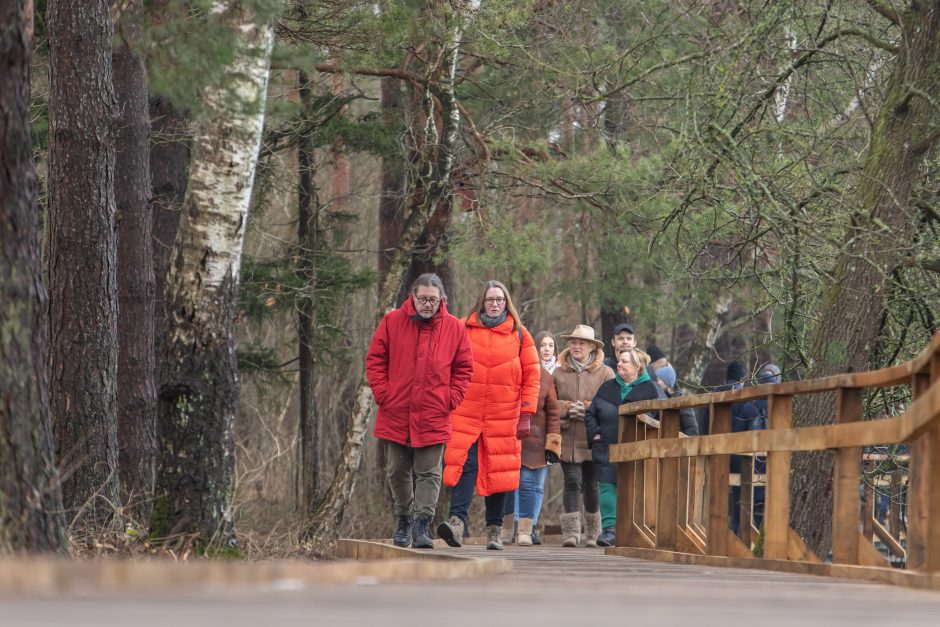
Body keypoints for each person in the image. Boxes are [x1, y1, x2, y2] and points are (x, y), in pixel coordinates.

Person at [366, 273, 473, 549]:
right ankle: (403, 518)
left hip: (434, 413)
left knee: (430, 473)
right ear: (413, 297)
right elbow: (375, 359)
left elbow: (464, 369)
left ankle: (421, 524)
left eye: (433, 299)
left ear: (442, 300)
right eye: (423, 298)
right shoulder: (391, 322)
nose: (428, 304)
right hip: (396, 411)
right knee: (396, 470)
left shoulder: (455, 328)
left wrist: (451, 398)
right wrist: (383, 393)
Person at [437, 280, 540, 550]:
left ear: (507, 304)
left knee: (499, 470)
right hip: (466, 412)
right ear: (481, 302)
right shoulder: (463, 328)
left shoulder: (519, 334)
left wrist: (526, 412)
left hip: (504, 415)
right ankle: (456, 523)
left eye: (500, 300)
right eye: (490, 299)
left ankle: (494, 530)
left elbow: (532, 375)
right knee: (463, 466)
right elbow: (444, 363)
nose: (495, 304)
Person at [585, 348, 660, 547]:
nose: (619, 364)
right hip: (606, 447)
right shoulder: (606, 388)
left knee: (634, 489)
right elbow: (591, 414)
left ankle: (635, 530)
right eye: (619, 361)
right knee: (607, 487)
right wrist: (596, 434)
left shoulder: (652, 390)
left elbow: (662, 418)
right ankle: (610, 530)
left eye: (625, 362)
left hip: (638, 451)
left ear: (638, 366)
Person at [554, 324, 615, 547]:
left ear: (591, 347)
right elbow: (550, 403)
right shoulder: (558, 371)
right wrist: (568, 408)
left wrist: (589, 408)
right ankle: (571, 533)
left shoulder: (606, 372)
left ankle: (593, 532)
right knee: (572, 481)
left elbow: (611, 403)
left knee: (591, 483)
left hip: (594, 437)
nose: (576, 346)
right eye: (573, 342)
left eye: (581, 343)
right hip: (568, 437)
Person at [516, 349, 562, 546]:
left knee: (537, 487)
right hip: (517, 439)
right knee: (523, 483)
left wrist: (553, 444)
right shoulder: (513, 372)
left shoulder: (546, 378)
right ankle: (521, 528)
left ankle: (530, 527)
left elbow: (553, 413)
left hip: (539, 441)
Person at [653, 364, 700, 436]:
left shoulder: (681, 401)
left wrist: (683, 445)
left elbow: (692, 428)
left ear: (667, 384)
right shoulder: (655, 397)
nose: (655, 382)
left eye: (658, 380)